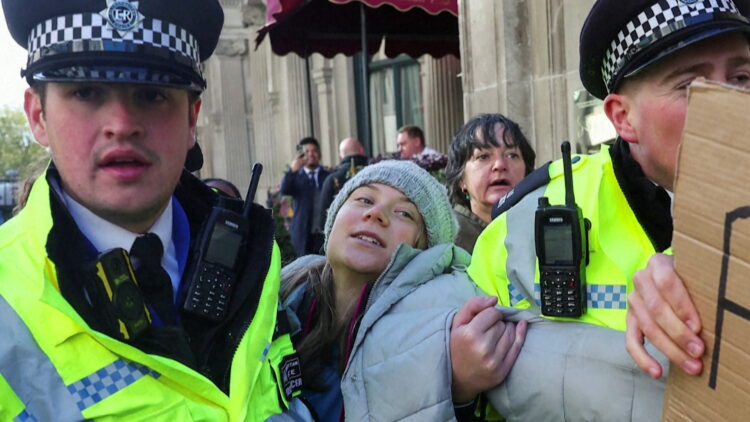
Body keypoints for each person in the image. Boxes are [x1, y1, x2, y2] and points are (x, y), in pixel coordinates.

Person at [0, 1, 303, 420]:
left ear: (191, 118)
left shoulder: (252, 255)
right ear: (38, 116)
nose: (122, 123)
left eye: (152, 93)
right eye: (86, 92)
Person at [469, 0, 750, 331]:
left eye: (741, 77)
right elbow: (450, 332)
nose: (730, 102)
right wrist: (460, 373)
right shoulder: (521, 226)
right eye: (690, 86)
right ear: (623, 117)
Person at [280, 160, 527, 421]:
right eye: (364, 199)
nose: (376, 214)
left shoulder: (446, 332)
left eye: (404, 213)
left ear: (427, 253)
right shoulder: (276, 296)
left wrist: (456, 392)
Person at [446, 114, 536, 253]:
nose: (500, 165)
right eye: (483, 157)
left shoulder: (544, 229)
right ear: (461, 179)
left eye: (512, 155)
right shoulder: (448, 244)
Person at [281, 137, 331, 256]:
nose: (311, 154)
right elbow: (284, 190)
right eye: (307, 152)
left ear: (319, 154)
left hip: (325, 232)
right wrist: (293, 169)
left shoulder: (329, 176)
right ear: (301, 155)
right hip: (302, 232)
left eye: (314, 151)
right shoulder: (295, 176)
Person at [313, 137, 368, 236]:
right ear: (362, 151)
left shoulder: (332, 180)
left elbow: (323, 221)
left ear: (341, 155)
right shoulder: (376, 175)